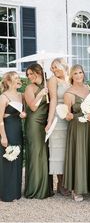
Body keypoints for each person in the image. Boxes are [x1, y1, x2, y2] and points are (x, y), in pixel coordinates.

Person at [63, 64, 90, 202]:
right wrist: (69, 115)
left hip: (89, 127)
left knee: (89, 154)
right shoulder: (69, 93)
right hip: (77, 127)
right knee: (78, 155)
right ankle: (76, 189)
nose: (79, 75)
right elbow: (67, 114)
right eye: (75, 73)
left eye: (80, 72)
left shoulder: (89, 89)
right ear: (71, 76)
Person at [24, 63, 53, 199]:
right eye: (28, 74)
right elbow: (33, 107)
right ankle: (34, 189)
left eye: (31, 73)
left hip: (45, 123)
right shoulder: (30, 88)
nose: (29, 77)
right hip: (34, 124)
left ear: (39, 72)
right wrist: (41, 94)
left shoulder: (48, 85)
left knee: (44, 153)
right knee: (36, 154)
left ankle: (45, 188)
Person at [45, 58, 70, 195]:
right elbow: (53, 99)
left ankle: (68, 180)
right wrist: (49, 121)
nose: (53, 70)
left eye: (55, 66)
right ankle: (60, 183)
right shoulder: (53, 80)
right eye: (52, 68)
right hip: (57, 119)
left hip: (69, 119)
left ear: (63, 65)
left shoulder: (70, 79)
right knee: (58, 151)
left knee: (68, 151)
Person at [0, 72, 25, 202]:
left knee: (17, 159)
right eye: (16, 78)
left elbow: (24, 111)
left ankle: (16, 192)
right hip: (7, 130)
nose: (19, 80)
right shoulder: (3, 97)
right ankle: (6, 193)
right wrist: (3, 137)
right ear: (9, 82)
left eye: (18, 78)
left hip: (17, 130)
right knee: (7, 160)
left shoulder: (21, 95)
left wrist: (23, 114)